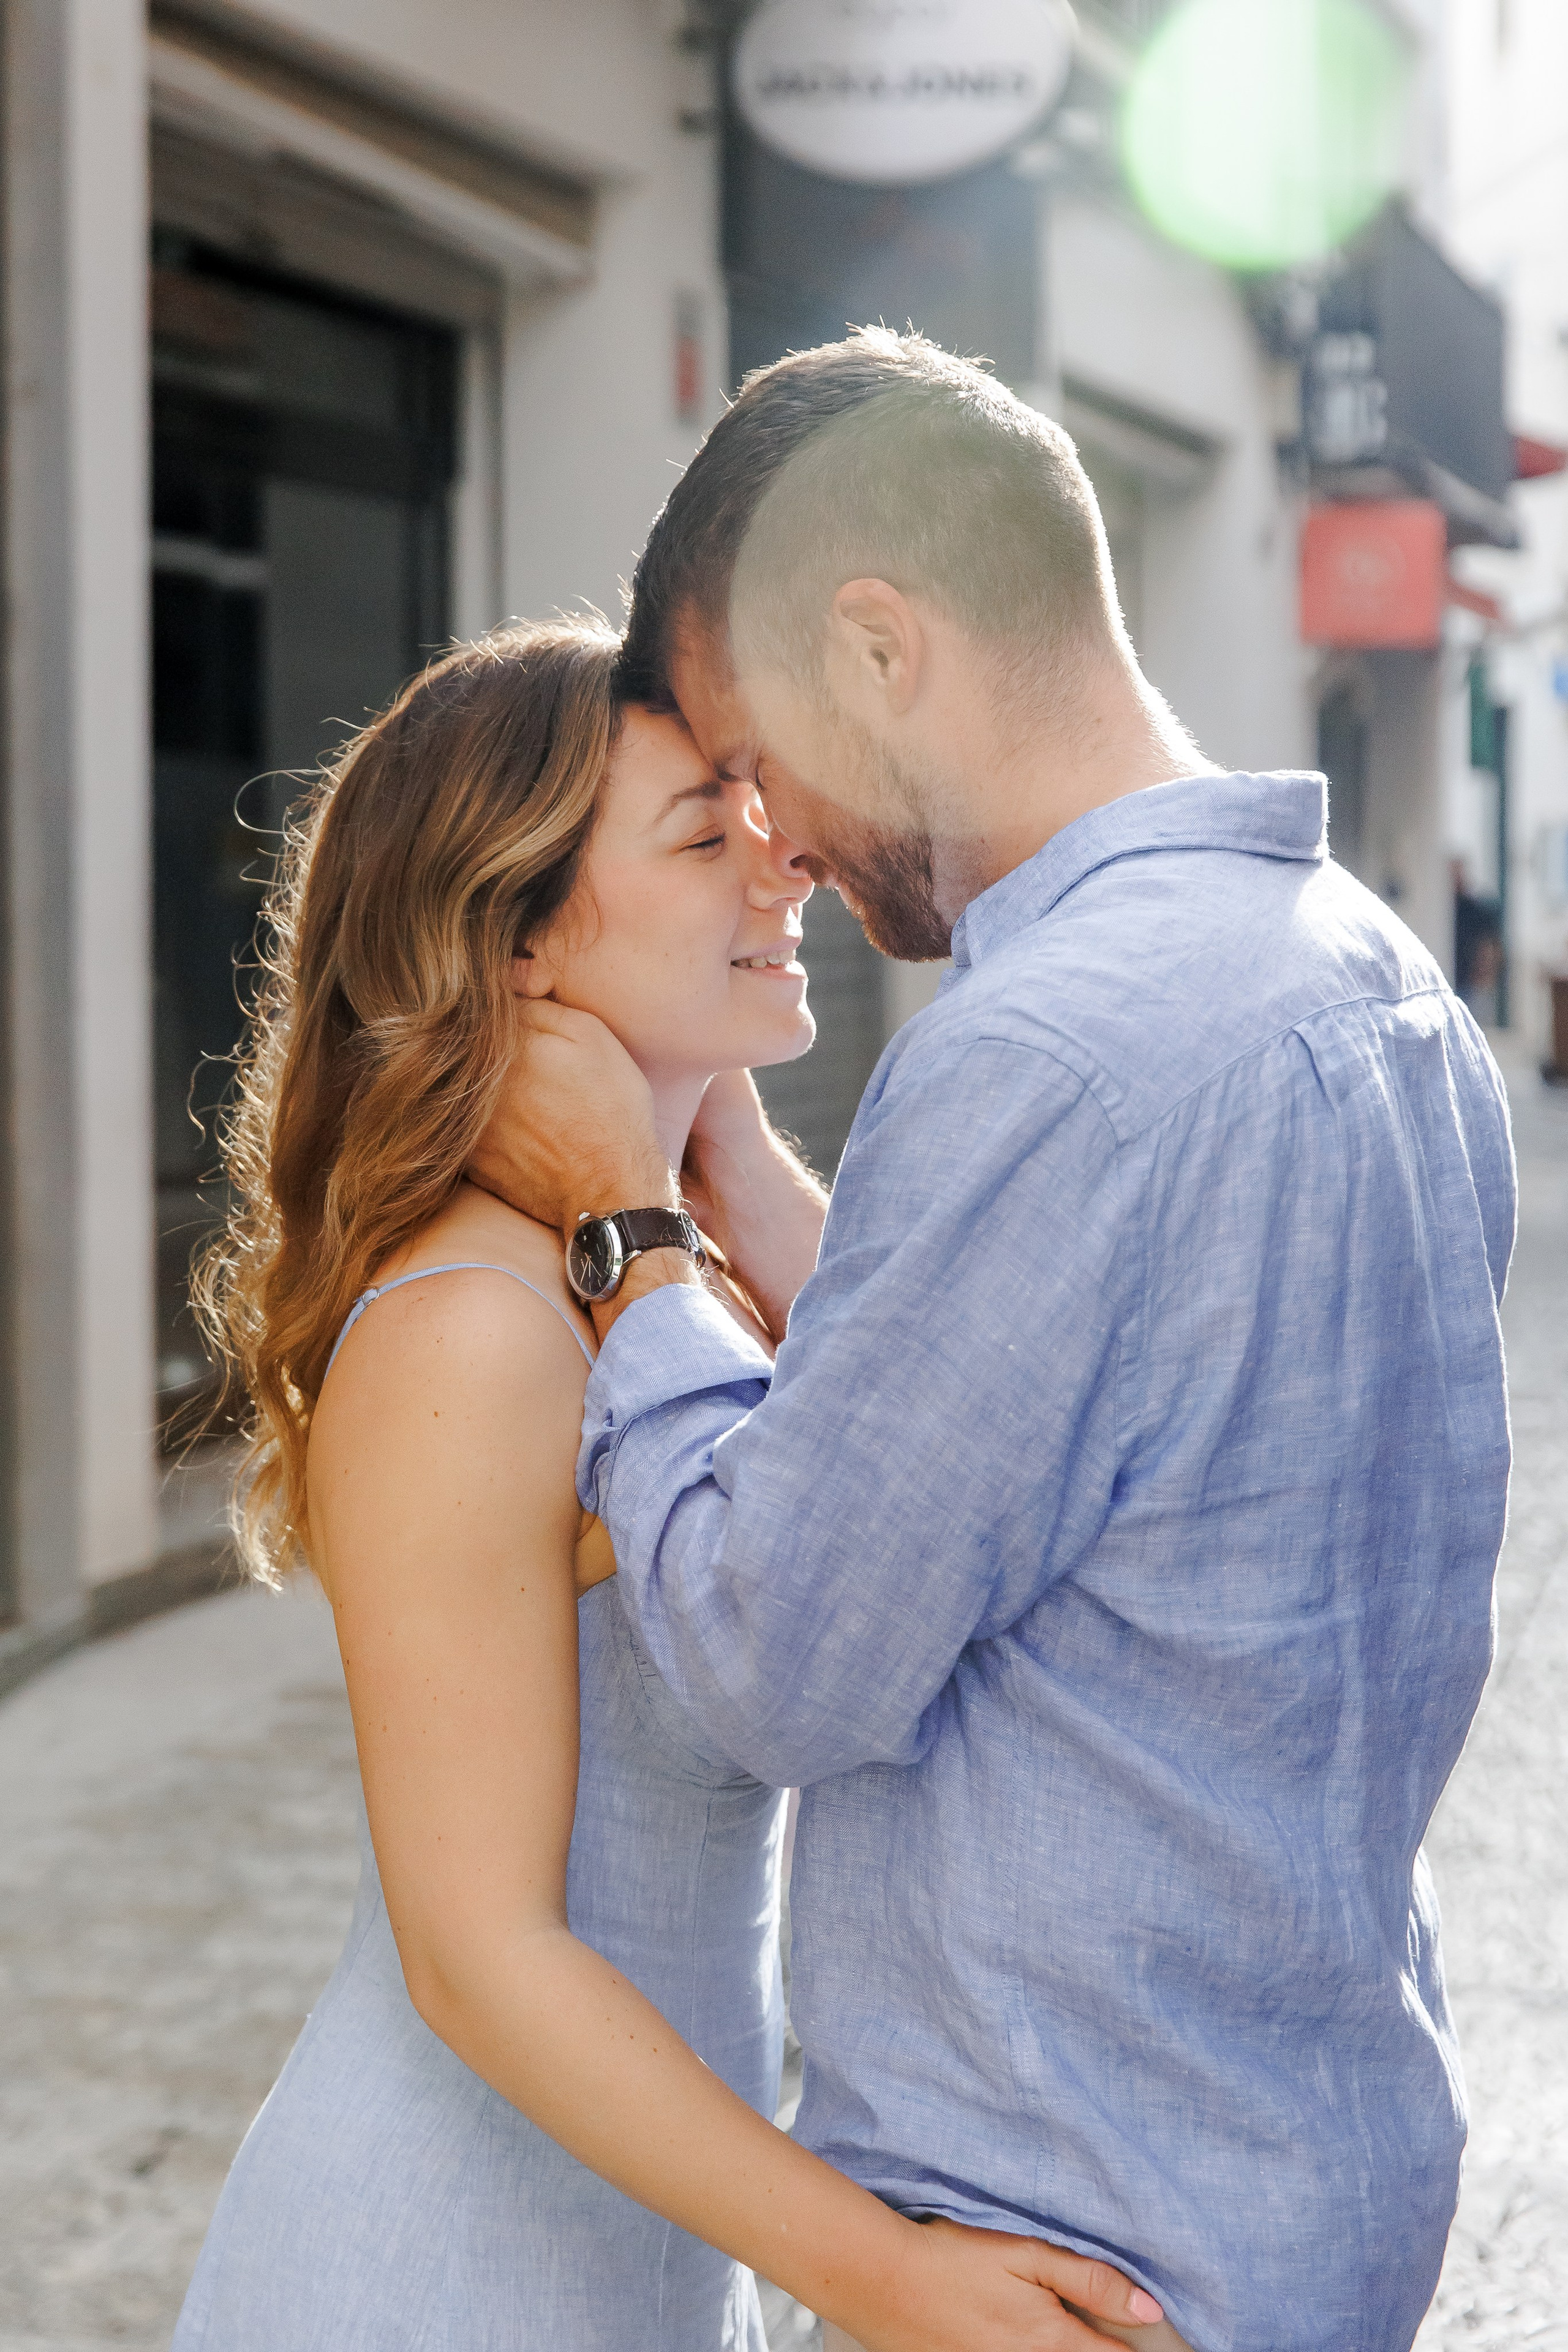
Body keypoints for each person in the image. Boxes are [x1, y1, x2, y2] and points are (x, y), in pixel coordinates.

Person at [471, 333, 1517, 2352]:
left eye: (754, 757)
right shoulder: (1378, 986)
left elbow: (774, 1657)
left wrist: (627, 1234)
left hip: (1052, 2242)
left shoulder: (1041, 1060)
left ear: (878, 651)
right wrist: (745, 1173)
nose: (773, 840)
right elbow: (1049, 1410)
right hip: (1305, 2191)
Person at [171, 619, 1159, 2352]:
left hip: (648, 2268)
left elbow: (945, 1484)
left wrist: (716, 1158)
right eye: (705, 837)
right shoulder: (474, 1327)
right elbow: (476, 1955)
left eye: (761, 814)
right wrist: (881, 2274)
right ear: (519, 940)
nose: (788, 860)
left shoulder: (673, 1289)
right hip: (441, 2279)